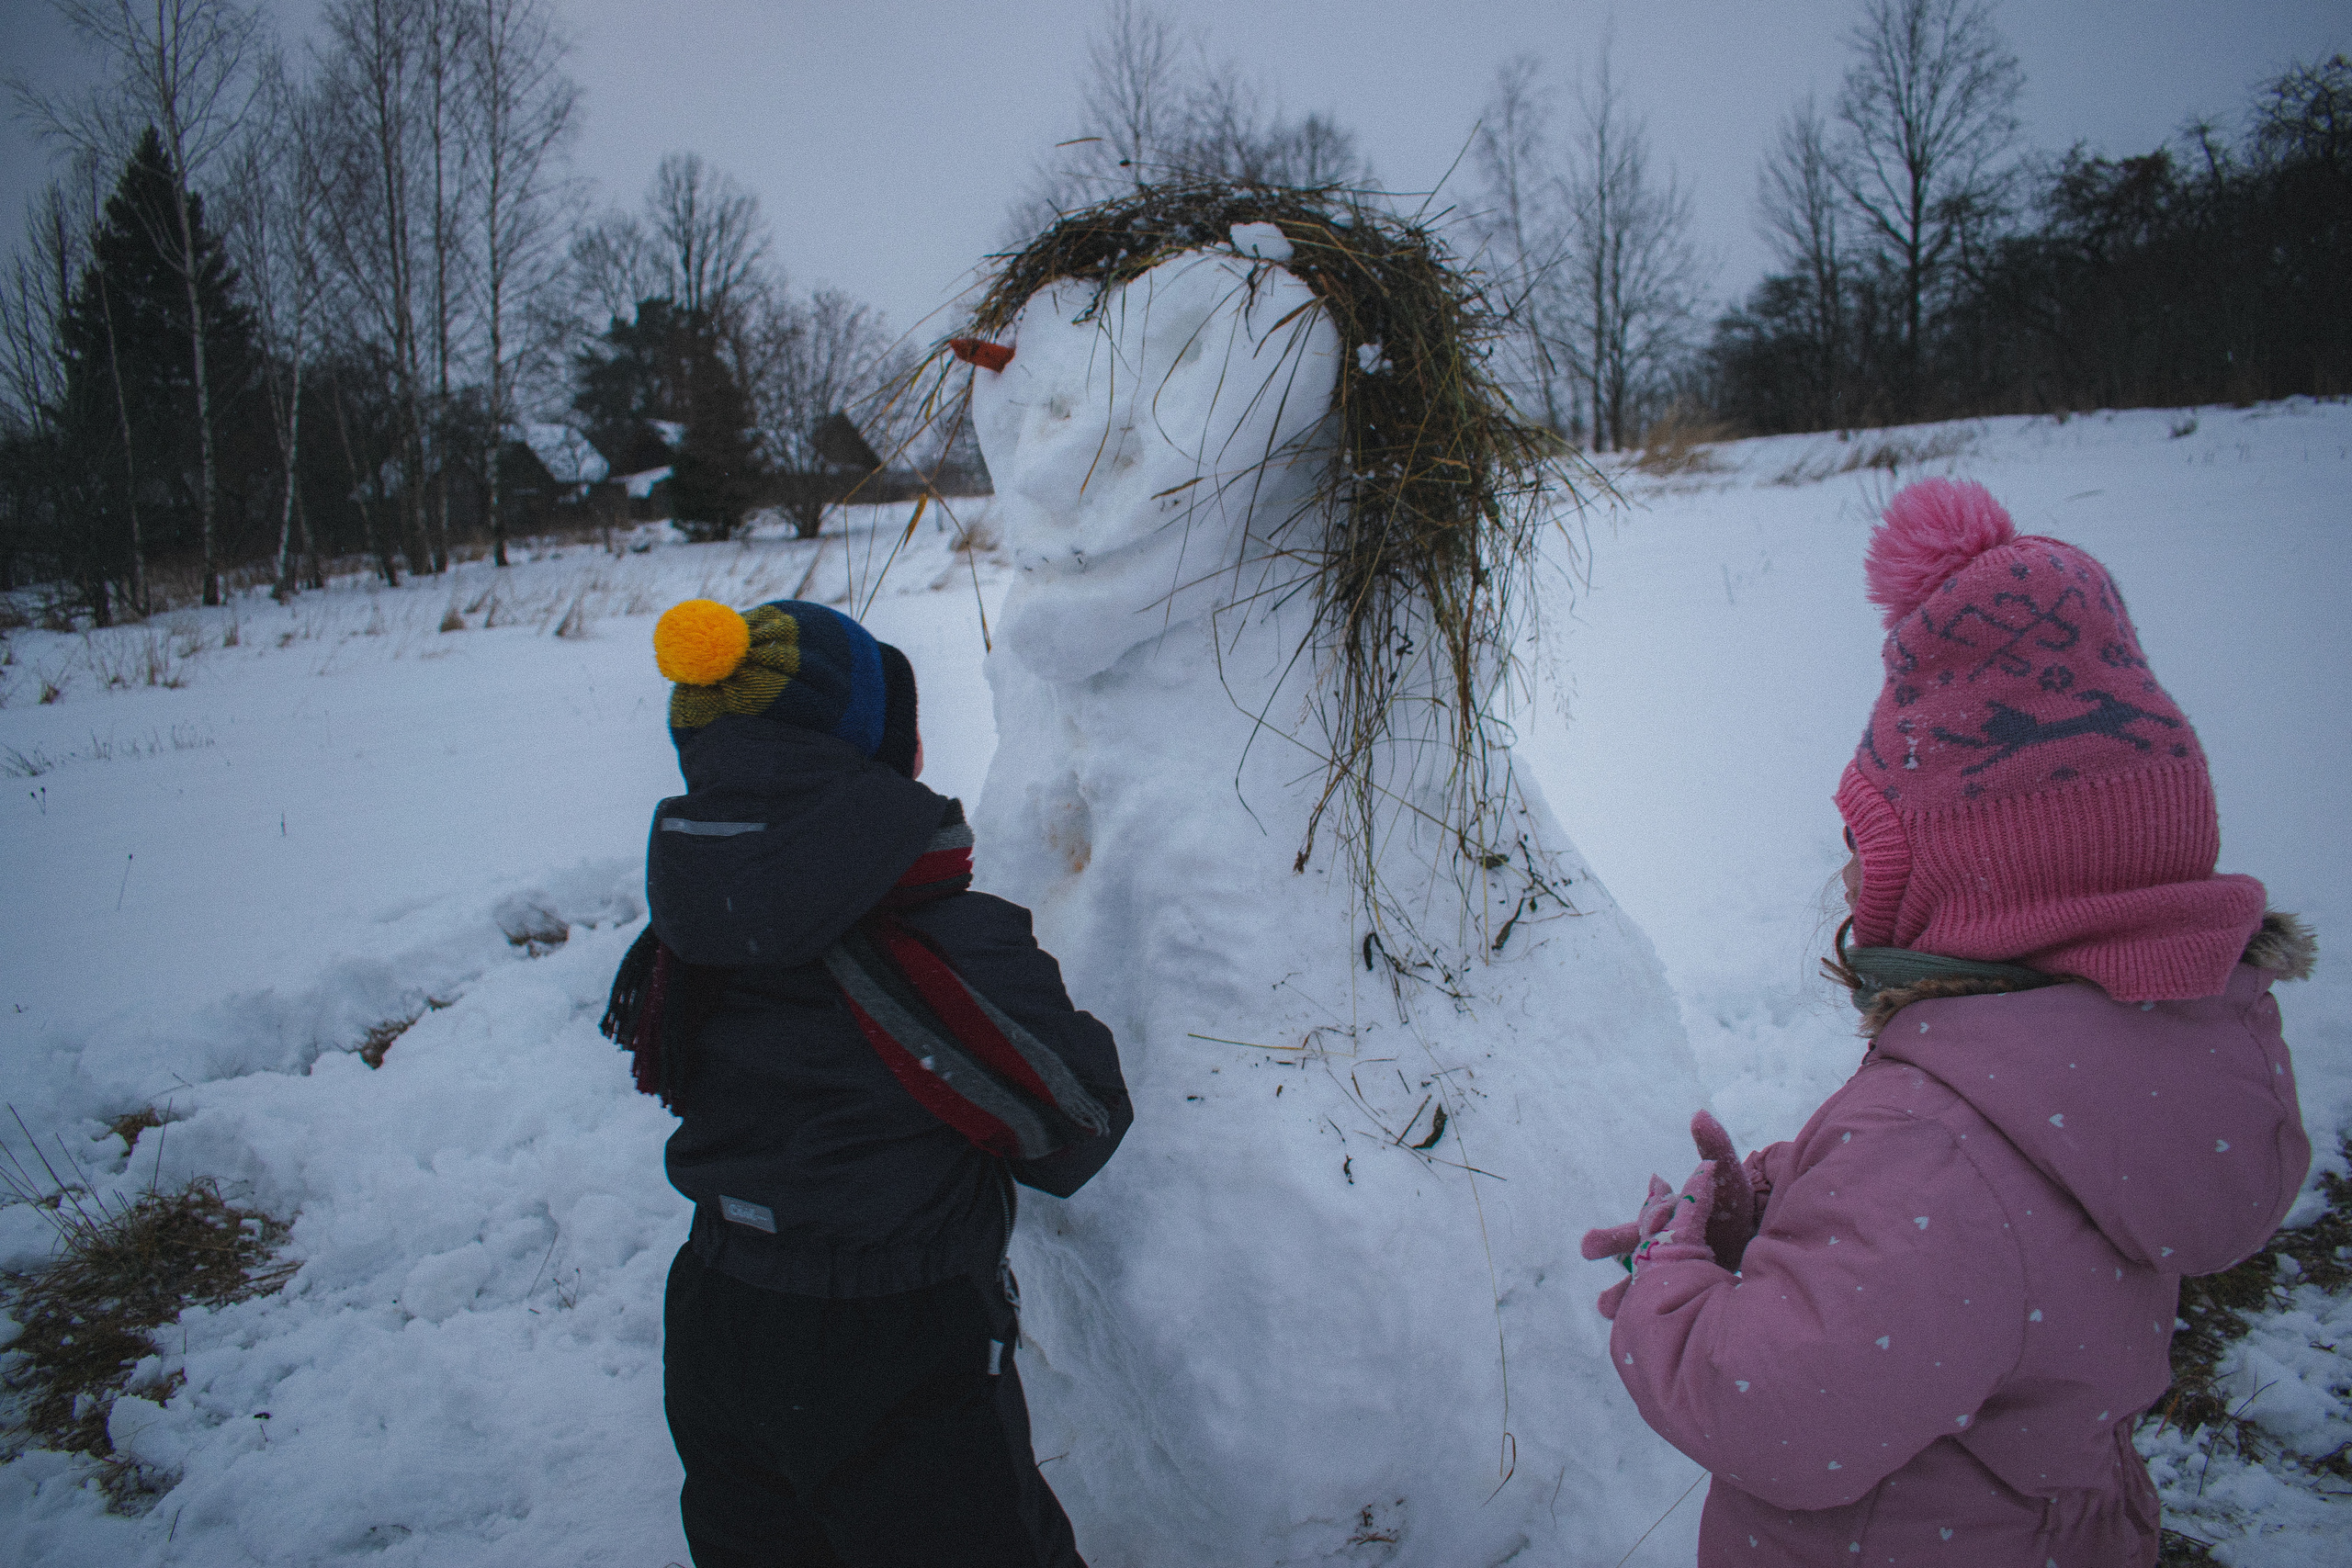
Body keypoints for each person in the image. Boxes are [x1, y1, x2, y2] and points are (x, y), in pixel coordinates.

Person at [1582, 479, 2312, 1565]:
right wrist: (1795, 1209)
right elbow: (2002, 1263)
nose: (1850, 877)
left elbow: (1771, 1414)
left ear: (1980, 874)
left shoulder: (1929, 1150)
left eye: (1872, 842)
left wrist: (1670, 1282)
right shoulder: (2154, 1063)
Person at [603, 597, 1132, 1568]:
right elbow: (1074, 1124)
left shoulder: (693, 920)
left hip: (717, 1313)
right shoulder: (923, 942)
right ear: (875, 755)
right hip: (889, 1342)